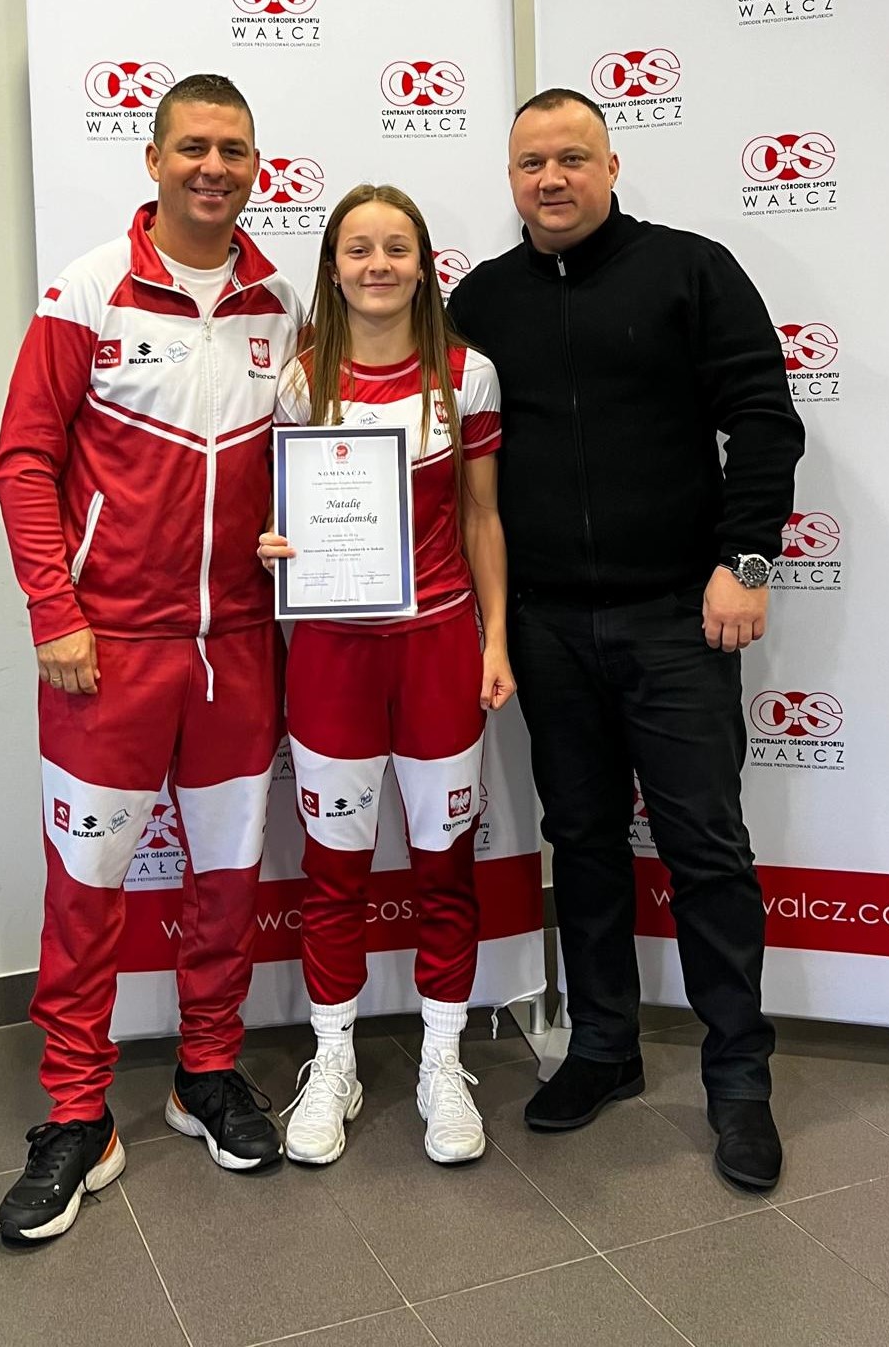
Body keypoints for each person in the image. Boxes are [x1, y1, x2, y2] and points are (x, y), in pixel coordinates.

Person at [446, 89, 804, 1190]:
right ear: (510, 179)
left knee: (704, 848)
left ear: (610, 165)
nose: (549, 179)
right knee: (584, 841)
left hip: (676, 617)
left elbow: (763, 419)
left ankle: (737, 1081)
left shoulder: (690, 270)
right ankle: (602, 1046)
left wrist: (746, 561)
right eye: (529, 163)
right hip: (547, 622)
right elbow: (442, 452)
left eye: (570, 158)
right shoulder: (480, 300)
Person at [0, 74, 304, 1241]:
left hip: (238, 651)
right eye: (192, 147)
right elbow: (25, 460)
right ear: (154, 159)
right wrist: (53, 613)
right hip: (107, 652)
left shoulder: (281, 303)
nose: (212, 167)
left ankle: (205, 1074)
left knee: (226, 881)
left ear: (256, 165)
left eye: (233, 149)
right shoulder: (87, 289)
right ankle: (78, 1114)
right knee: (86, 894)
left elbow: (312, 462)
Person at [258, 183, 514, 1168]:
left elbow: (482, 516)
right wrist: (274, 543)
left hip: (439, 646)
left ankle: (442, 1061)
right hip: (332, 656)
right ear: (332, 269)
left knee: (444, 867)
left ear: (422, 264)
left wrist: (495, 640)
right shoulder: (300, 382)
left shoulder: (466, 374)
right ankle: (335, 1060)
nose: (377, 264)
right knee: (335, 873)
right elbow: (274, 517)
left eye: (395, 248)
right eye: (358, 249)